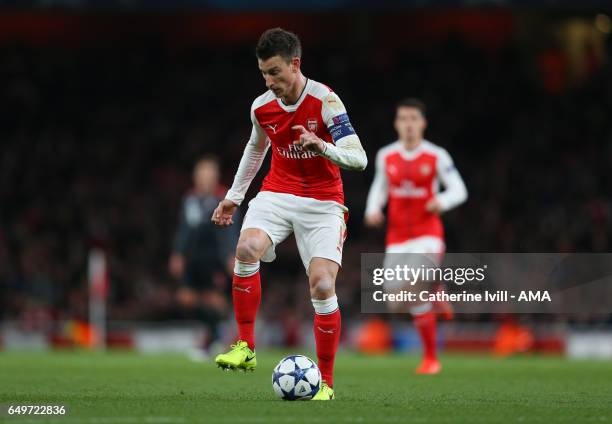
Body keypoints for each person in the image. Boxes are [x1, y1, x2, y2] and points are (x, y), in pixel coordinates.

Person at [211, 28, 367, 400]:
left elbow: (359, 158)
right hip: (277, 193)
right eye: (264, 73)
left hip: (324, 202)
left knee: (323, 286)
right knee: (246, 249)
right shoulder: (261, 107)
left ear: (295, 64)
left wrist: (323, 147)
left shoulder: (326, 101)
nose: (270, 81)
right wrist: (234, 197)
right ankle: (245, 346)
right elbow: (255, 150)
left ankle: (325, 384)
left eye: (276, 72)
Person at [364, 98, 467, 375]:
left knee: (413, 286)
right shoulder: (386, 155)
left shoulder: (437, 156)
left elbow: (459, 190)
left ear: (423, 123)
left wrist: (441, 202)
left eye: (413, 119)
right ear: (397, 124)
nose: (408, 124)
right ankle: (435, 291)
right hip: (397, 238)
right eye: (403, 119)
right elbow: (379, 187)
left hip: (428, 235)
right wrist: (373, 209)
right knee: (396, 301)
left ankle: (431, 360)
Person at [169, 156, 239, 356]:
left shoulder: (225, 198)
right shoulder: (190, 199)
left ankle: (216, 340)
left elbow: (231, 229)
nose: (205, 178)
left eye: (209, 174)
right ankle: (213, 336)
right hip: (193, 259)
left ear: (215, 177)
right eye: (202, 174)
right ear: (196, 177)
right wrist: (178, 253)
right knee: (186, 298)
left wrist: (230, 253)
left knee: (215, 301)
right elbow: (184, 228)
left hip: (215, 259)